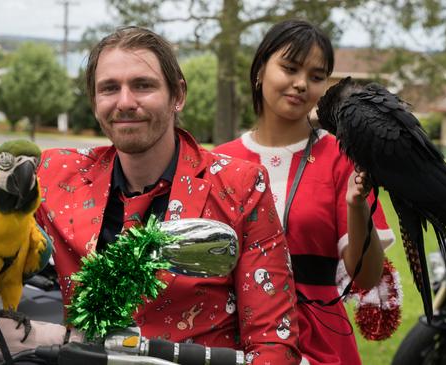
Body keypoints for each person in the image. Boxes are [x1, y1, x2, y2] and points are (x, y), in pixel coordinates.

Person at [33, 26, 301, 364]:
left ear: (178, 95)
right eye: (109, 88)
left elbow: (273, 340)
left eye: (143, 85)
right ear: (94, 100)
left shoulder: (240, 186)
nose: (125, 102)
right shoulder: (55, 175)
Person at [213, 20, 396, 365]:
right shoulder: (218, 161)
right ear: (259, 70)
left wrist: (357, 208)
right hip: (232, 334)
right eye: (290, 68)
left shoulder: (343, 158)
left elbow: (367, 276)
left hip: (319, 340)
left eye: (316, 76)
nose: (301, 84)